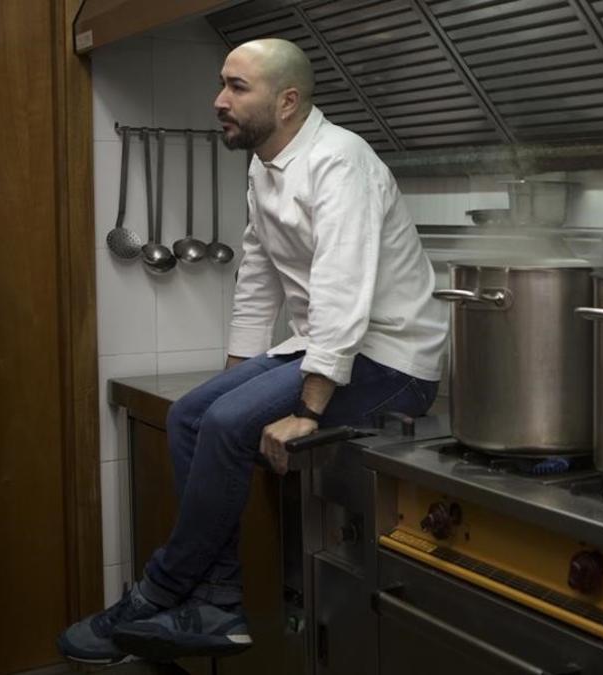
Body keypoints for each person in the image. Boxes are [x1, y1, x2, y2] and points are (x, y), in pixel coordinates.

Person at [58, 38, 448, 664]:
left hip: (392, 360)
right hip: (324, 344)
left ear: (287, 101)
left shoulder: (339, 162)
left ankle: (161, 589)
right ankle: (217, 602)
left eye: (237, 87)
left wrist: (310, 412)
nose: (220, 100)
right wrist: (236, 378)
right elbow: (259, 275)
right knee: (193, 414)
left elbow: (342, 290)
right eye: (223, 84)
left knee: (225, 425)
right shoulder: (265, 165)